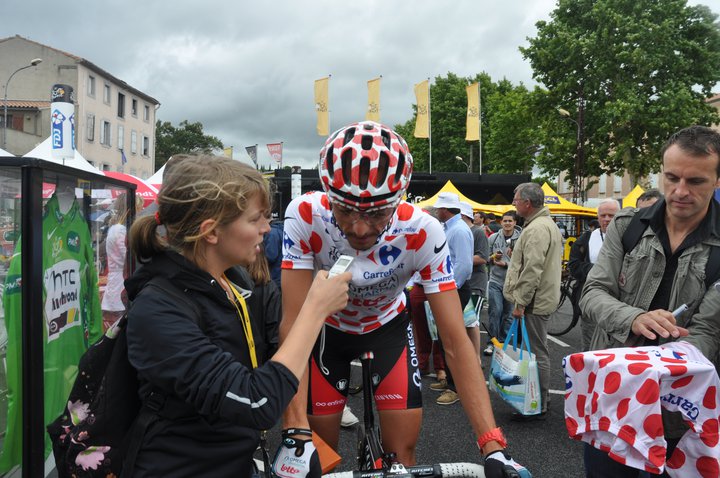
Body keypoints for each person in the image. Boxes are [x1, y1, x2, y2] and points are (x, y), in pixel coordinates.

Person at [276, 121, 529, 477]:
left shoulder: (423, 230)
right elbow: (292, 324)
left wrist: (493, 445)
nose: (359, 228)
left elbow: (455, 340)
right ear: (328, 196)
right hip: (327, 332)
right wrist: (294, 431)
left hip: (388, 330)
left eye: (377, 213)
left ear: (399, 201)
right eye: (345, 210)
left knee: (400, 460)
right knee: (317, 456)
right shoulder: (305, 214)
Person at [123, 155, 352, 477]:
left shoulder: (236, 281)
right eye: (255, 219)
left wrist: (298, 430)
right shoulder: (157, 309)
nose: (266, 228)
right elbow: (256, 402)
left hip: (236, 462)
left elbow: (279, 348)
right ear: (211, 231)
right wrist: (315, 310)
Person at [579, 125, 720, 477]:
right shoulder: (627, 225)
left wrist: (667, 362)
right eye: (671, 178)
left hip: (678, 414)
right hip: (612, 401)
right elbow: (592, 293)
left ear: (717, 181)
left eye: (696, 181)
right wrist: (634, 318)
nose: (680, 191)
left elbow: (708, 331)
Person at [503, 182, 563, 421]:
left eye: (516, 200)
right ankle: (536, 399)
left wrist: (520, 303)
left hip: (534, 302)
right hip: (538, 299)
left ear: (527, 203)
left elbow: (532, 270)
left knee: (536, 352)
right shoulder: (543, 224)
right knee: (536, 350)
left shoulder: (537, 228)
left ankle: (538, 402)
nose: (514, 203)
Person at [429, 193, 474, 406]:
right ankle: (451, 381)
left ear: (445, 210)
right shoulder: (453, 228)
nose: (437, 211)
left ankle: (456, 388)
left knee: (451, 338)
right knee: (445, 337)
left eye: (439, 208)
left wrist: (448, 290)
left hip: (454, 289)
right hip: (451, 288)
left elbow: (464, 265)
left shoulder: (459, 230)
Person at [567, 198, 621, 350]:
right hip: (592, 302)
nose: (607, 219)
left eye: (611, 215)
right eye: (603, 215)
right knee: (591, 347)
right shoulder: (586, 239)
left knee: (615, 348)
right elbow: (574, 266)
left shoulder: (629, 238)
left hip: (619, 304)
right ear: (597, 217)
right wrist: (601, 271)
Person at [100, 193, 144, 331]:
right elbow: (129, 257)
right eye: (139, 208)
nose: (140, 212)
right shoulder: (120, 230)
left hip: (118, 283)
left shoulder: (116, 228)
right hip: (120, 285)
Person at [485, 210, 521, 355]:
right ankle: (492, 342)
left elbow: (524, 262)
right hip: (495, 280)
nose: (507, 223)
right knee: (495, 311)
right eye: (505, 221)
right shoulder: (493, 238)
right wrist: (493, 258)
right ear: (501, 222)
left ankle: (503, 343)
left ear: (515, 223)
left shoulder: (521, 239)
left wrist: (506, 264)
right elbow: (485, 257)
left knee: (508, 314)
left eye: (510, 221)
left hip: (512, 283)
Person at [461, 201, 489, 360]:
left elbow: (483, 257)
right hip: (462, 284)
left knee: (471, 322)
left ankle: (475, 359)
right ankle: (467, 358)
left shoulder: (478, 232)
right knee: (463, 323)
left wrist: (458, 260)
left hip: (475, 284)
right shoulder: (459, 230)